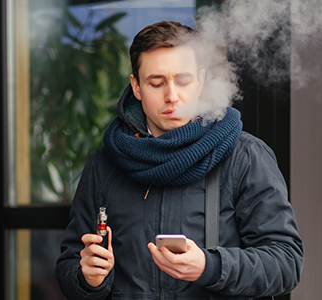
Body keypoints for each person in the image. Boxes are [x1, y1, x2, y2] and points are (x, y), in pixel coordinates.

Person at [55, 20, 303, 299]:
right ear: (136, 87)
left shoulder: (245, 156)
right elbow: (69, 266)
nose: (172, 96)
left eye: (182, 81)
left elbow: (286, 263)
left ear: (200, 82)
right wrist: (89, 278)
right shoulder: (103, 166)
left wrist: (210, 267)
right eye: (156, 82)